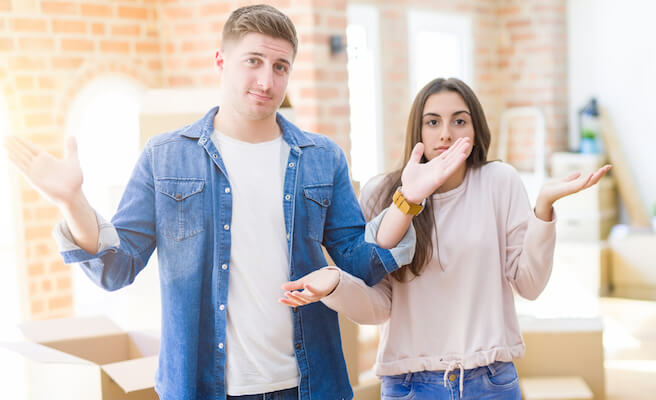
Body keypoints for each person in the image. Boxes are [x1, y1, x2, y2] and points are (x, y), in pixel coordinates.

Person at [3, 5, 469, 400]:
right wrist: (72, 202)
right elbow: (117, 266)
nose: (267, 80)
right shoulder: (165, 157)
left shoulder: (322, 158)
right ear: (221, 61)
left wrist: (408, 200)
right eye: (254, 61)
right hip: (203, 387)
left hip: (309, 385)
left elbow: (361, 262)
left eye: (281, 66)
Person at [280, 77, 611, 400]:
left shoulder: (499, 182)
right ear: (418, 130)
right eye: (433, 122)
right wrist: (336, 284)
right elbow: (378, 306)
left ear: (476, 130)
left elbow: (530, 285)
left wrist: (543, 208)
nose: (446, 134)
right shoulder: (381, 194)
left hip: (490, 381)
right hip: (409, 384)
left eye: (459, 121)